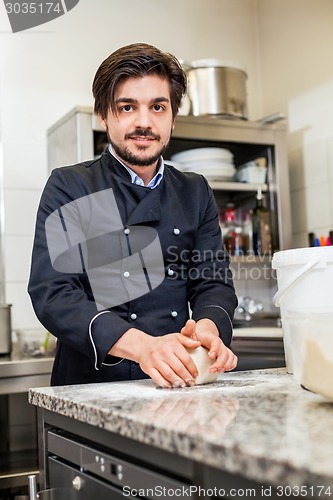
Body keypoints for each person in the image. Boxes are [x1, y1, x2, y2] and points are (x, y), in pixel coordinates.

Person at [28, 43, 238, 388]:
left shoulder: (194, 191)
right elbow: (54, 294)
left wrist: (208, 329)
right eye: (127, 107)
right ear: (103, 115)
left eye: (158, 107)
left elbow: (212, 281)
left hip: (177, 383)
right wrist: (144, 347)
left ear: (172, 116)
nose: (144, 122)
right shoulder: (73, 185)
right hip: (90, 387)